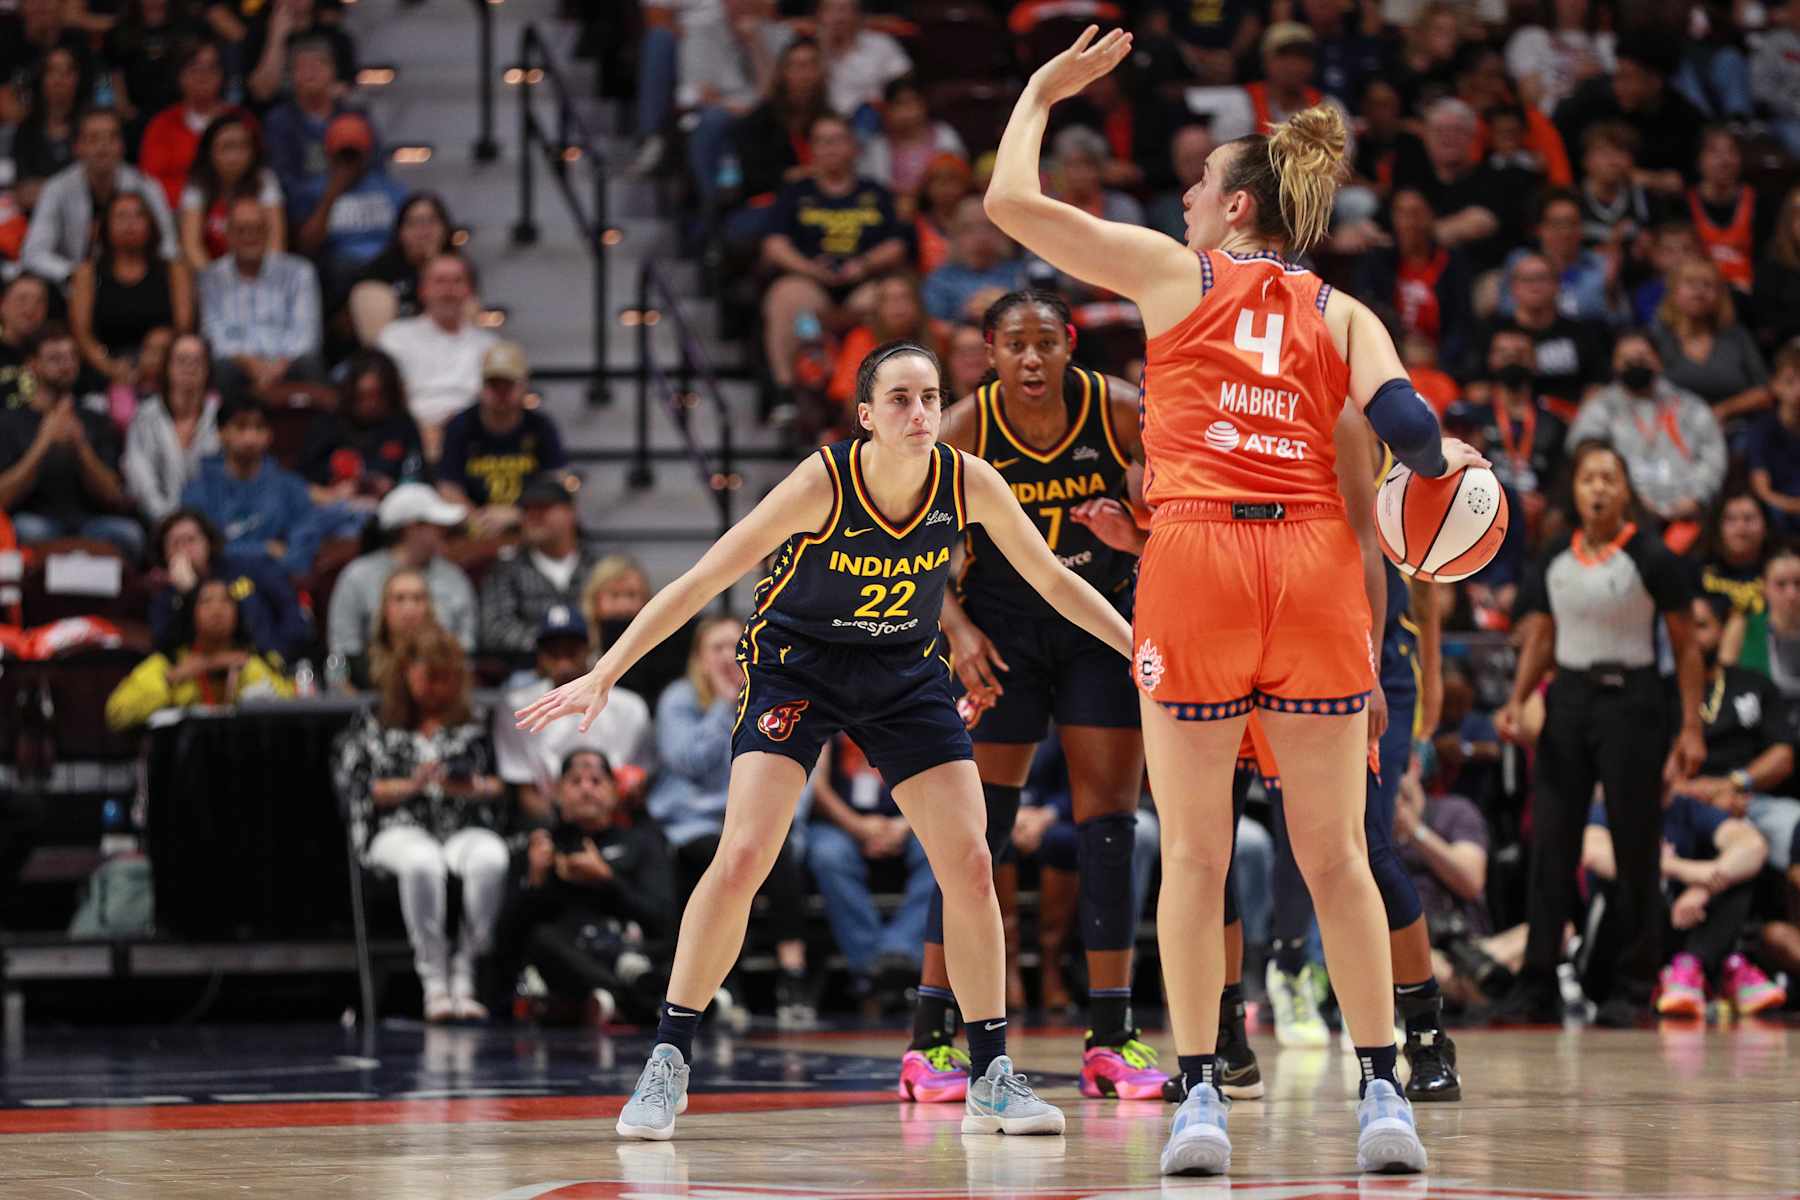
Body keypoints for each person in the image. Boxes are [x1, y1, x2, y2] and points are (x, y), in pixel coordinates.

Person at [978, 26, 1495, 1175]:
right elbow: (1410, 435)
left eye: (1198, 190)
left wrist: (1038, 90)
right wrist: (1454, 487)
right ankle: (1380, 1095)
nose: (1184, 204)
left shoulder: (1175, 275)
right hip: (1313, 566)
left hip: (1199, 561)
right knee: (1336, 858)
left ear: (1239, 209)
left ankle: (1203, 1098)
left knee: (1199, 856)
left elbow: (1010, 202)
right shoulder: (1342, 308)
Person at [518, 338, 1141, 1142]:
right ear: (865, 417)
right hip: (798, 667)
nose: (919, 414)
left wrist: (1141, 650)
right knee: (743, 854)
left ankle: (990, 1074)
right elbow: (706, 576)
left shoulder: (966, 480)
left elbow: (1054, 580)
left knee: (973, 859)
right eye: (900, 400)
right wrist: (607, 670)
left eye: (928, 398)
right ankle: (667, 1061)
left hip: (904, 670)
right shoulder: (824, 480)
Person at [898, 289, 1162, 1104]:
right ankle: (931, 1041)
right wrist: (953, 626)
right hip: (999, 637)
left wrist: (1142, 526)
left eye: (1047, 343)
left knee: (1110, 827)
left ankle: (1110, 1033)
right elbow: (893, 537)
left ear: (1071, 344)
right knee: (978, 835)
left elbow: (1179, 514)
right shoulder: (967, 428)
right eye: (1015, 345)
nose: (1033, 360)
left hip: (1095, 623)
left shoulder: (1118, 410)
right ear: (988, 353)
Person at [1493, 440, 1706, 1027]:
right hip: (1568, 699)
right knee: (1552, 843)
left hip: (1633, 702)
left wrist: (1690, 725)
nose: (1599, 489)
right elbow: (1539, 635)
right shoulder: (1555, 553)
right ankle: (1537, 982)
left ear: (1625, 490)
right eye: (1589, 479)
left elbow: (1687, 645)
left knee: (1636, 843)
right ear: (1575, 488)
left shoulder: (1651, 555)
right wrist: (1516, 699)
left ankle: (1635, 987)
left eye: (1610, 479)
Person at [639, 614, 817, 1028]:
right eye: (714, 648)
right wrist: (724, 706)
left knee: (781, 850)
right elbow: (689, 763)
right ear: (699, 660)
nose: (726, 655)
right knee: (718, 858)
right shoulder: (679, 699)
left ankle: (793, 975)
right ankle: (723, 983)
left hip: (756, 820)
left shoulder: (774, 694)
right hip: (697, 823)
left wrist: (786, 819)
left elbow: (799, 768)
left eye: (732, 645)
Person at [333, 625, 509, 1022]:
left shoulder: (475, 722)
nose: (438, 687)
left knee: (491, 858)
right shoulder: (375, 723)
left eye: (448, 678)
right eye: (430, 676)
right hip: (397, 828)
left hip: (461, 824)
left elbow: (501, 785)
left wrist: (466, 786)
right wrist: (414, 783)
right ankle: (434, 981)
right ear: (406, 674)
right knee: (423, 861)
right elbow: (355, 786)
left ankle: (465, 971)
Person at [483, 748, 678, 1025]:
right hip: (567, 959)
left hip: (629, 948)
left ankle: (617, 998)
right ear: (557, 793)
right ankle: (640, 1001)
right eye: (575, 782)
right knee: (542, 939)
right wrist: (537, 881)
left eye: (596, 781)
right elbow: (505, 938)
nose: (586, 789)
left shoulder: (642, 843)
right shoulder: (537, 846)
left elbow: (663, 919)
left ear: (614, 791)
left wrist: (608, 880)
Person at [1581, 783, 1777, 1019]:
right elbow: (1595, 855)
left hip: (1678, 927)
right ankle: (1710, 972)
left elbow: (1753, 845)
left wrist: (1704, 889)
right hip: (1618, 950)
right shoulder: (1610, 807)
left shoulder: (1687, 809)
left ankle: (1690, 967)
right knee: (1631, 880)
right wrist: (1685, 871)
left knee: (1737, 875)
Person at [760, 114, 908, 406]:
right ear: (811, 149)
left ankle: (880, 394)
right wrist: (810, 269)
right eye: (821, 141)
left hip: (862, 282)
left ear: (853, 147)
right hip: (811, 282)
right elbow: (774, 244)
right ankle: (786, 393)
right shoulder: (796, 193)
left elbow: (897, 245)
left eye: (837, 140)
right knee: (785, 296)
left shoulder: (875, 192)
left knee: (889, 298)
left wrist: (863, 265)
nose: (829, 148)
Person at [1677, 596, 1800, 906]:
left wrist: (1732, 784)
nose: (1693, 635)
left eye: (1702, 626)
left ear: (1722, 632)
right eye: (1685, 627)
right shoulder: (1660, 690)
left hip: (1751, 798)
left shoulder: (1752, 684)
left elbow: (1783, 756)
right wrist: (1698, 795)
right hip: (1680, 804)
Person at [805, 733, 937, 1005]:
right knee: (828, 855)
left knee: (941, 852)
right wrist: (857, 826)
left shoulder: (908, 706)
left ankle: (897, 951)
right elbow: (816, 786)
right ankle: (874, 964)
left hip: (905, 821)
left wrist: (903, 825)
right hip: (840, 822)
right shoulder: (829, 710)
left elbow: (935, 779)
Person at [494, 605, 651, 824]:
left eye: (571, 649)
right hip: (553, 819)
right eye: (553, 651)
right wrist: (564, 832)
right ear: (539, 656)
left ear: (588, 649)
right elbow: (526, 790)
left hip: (616, 819)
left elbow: (639, 783)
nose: (563, 660)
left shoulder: (630, 707)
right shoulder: (518, 706)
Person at [0, 325, 141, 560]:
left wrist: (81, 446)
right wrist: (43, 443)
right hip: (34, 521)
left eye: (72, 357)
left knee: (129, 535)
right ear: (31, 364)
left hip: (90, 524)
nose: (66, 365)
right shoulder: (9, 422)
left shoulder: (96, 420)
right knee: (26, 530)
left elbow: (115, 496)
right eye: (55, 358)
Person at [1564, 331, 1725, 532]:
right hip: (1624, 513)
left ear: (1658, 361)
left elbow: (1713, 456)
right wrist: (1626, 498)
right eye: (1627, 360)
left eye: (1642, 358)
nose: (1635, 365)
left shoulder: (1690, 406)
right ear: (1615, 365)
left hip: (1688, 511)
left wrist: (1697, 498)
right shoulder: (1601, 405)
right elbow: (1584, 447)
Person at [104, 575, 292, 728]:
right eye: (206, 601)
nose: (217, 609)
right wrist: (171, 680)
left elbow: (292, 708)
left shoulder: (254, 660)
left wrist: (248, 668)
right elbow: (117, 714)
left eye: (226, 602)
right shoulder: (169, 663)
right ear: (190, 613)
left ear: (238, 614)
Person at [21, 107, 179, 284]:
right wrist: (74, 275)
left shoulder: (146, 186)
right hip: (73, 285)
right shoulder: (57, 188)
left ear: (122, 146)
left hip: (138, 283)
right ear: (77, 147)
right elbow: (33, 253)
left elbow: (169, 248)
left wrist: (142, 276)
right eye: (93, 138)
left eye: (112, 138)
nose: (103, 147)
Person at [327, 483, 477, 662]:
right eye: (436, 525)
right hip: (370, 682)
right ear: (411, 528)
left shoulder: (454, 577)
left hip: (441, 679)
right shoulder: (357, 577)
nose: (443, 531)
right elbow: (343, 648)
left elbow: (467, 644)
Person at [179, 394, 321, 575]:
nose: (250, 437)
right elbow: (200, 553)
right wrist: (264, 549)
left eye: (259, 428)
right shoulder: (197, 492)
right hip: (218, 592)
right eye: (241, 426)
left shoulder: (291, 488)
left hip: (276, 587)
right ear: (221, 433)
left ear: (269, 435)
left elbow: (302, 551)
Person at [148, 506, 310, 665]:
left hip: (266, 662)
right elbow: (164, 648)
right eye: (175, 544)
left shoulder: (248, 566)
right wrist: (188, 595)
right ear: (165, 554)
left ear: (207, 542)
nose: (184, 550)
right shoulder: (168, 597)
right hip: (202, 676)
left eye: (191, 540)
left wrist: (280, 657)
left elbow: (291, 613)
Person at [199, 196, 324, 398]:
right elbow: (213, 335)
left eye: (257, 229)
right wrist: (251, 364)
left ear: (267, 232)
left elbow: (307, 337)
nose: (249, 236)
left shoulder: (299, 272)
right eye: (242, 230)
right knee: (220, 368)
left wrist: (276, 368)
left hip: (287, 364)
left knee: (310, 362)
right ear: (228, 235)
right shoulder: (212, 277)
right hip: (237, 365)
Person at [437, 342, 567, 535]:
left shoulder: (541, 427)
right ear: (481, 386)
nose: (501, 393)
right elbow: (448, 487)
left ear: (524, 386)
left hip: (529, 525)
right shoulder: (460, 426)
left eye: (508, 385)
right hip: (472, 529)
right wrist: (477, 520)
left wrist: (517, 514)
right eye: (493, 384)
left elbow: (555, 484)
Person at [375, 255, 496, 458]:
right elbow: (389, 397)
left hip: (473, 440)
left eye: (457, 281)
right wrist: (421, 430)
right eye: (440, 281)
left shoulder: (489, 344)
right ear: (423, 290)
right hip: (409, 436)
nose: (448, 290)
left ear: (470, 291)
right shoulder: (394, 336)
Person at [69, 191, 193, 387]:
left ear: (151, 224)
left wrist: (158, 356)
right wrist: (109, 366)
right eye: (121, 216)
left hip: (164, 364)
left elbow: (184, 326)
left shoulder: (174, 270)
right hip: (107, 365)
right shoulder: (87, 273)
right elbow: (82, 335)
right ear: (105, 226)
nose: (130, 223)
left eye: (138, 215)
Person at [1353, 189, 1476, 372]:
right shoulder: (1377, 262)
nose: (1409, 222)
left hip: (1440, 362)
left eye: (1416, 213)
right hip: (1387, 358)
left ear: (1431, 216)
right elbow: (1367, 312)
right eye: (1401, 213)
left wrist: (1440, 358)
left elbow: (1461, 321)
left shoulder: (1452, 263)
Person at [478, 476, 600, 661]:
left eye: (544, 509)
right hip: (527, 669)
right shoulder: (506, 570)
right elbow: (494, 629)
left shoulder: (598, 567)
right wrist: (550, 645)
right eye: (527, 510)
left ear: (570, 513)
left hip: (594, 664)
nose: (534, 517)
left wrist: (584, 645)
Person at [1650, 256, 1769, 438]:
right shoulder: (1657, 338)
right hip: (1670, 430)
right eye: (1690, 283)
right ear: (1674, 292)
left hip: (1734, 429)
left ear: (1720, 295)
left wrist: (1723, 410)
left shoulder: (1736, 336)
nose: (1700, 291)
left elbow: (1764, 391)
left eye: (1708, 285)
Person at [293, 111, 408, 298]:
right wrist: (332, 194)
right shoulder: (315, 190)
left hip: (384, 266)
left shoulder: (391, 190)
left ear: (367, 155)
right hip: (339, 272)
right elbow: (307, 246)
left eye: (353, 154)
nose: (348, 162)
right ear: (330, 155)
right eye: (342, 154)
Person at [296, 348, 426, 513]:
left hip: (391, 511)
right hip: (335, 510)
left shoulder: (402, 425)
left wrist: (391, 489)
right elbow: (301, 484)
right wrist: (332, 494)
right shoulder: (328, 425)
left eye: (377, 395)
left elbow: (418, 479)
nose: (370, 404)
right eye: (362, 396)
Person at [123, 331, 219, 522]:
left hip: (213, 523)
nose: (190, 367)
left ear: (207, 369)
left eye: (197, 361)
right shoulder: (145, 415)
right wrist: (171, 522)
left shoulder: (220, 415)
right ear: (167, 367)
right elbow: (141, 479)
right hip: (157, 523)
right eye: (182, 360)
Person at [136, 37, 238, 211]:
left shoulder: (240, 120)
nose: (203, 76)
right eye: (194, 68)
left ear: (222, 75)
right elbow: (151, 184)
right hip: (174, 216)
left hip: (234, 217)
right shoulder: (161, 126)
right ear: (180, 75)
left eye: (210, 68)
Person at [179, 112, 285, 272]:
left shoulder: (265, 180)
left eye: (243, 147)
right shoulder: (197, 185)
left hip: (259, 276)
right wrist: (218, 284)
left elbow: (275, 244)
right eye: (227, 147)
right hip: (210, 276)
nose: (235, 156)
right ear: (210, 151)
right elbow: (191, 246)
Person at [347, 193, 453, 347]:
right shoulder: (377, 274)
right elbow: (378, 342)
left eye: (432, 221)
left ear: (445, 230)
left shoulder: (458, 270)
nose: (424, 231)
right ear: (400, 232)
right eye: (415, 223)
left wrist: (433, 265)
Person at [857, 76, 966, 205]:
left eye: (912, 102)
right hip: (891, 209)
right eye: (899, 104)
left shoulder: (944, 135)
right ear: (887, 110)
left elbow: (956, 180)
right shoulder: (877, 146)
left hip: (938, 207)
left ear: (924, 105)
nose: (907, 110)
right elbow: (871, 188)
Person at [921, 198, 1026, 329]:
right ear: (955, 235)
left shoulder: (1021, 274)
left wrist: (1009, 306)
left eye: (989, 226)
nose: (981, 236)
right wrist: (966, 314)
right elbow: (933, 328)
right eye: (969, 228)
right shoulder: (939, 281)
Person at [813, 0, 909, 129]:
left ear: (857, 14)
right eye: (829, 10)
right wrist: (823, 50)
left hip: (874, 122)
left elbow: (903, 83)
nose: (837, 17)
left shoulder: (881, 44)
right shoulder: (810, 50)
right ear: (819, 15)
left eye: (843, 9)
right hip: (824, 123)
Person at [1728, 544, 1800, 701]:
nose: (1791, 594)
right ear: (1764, 587)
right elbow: (1722, 684)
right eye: (1781, 584)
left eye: (1798, 583)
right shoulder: (1742, 626)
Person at [1747, 342, 1800, 537]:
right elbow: (1762, 489)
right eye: (1790, 381)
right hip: (1781, 507)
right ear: (1775, 385)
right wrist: (1792, 505)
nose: (1798, 390)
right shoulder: (1762, 429)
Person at [1696, 491, 1773, 618]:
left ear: (1766, 527)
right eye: (1731, 519)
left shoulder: (1780, 571)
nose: (1740, 527)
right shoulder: (1697, 568)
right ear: (1719, 527)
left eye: (1749, 519)